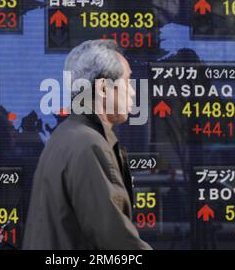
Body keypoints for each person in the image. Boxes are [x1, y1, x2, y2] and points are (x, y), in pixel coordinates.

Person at [23, 40, 152, 250]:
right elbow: (116, 241)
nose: (132, 92)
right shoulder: (89, 145)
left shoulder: (65, 136)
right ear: (102, 88)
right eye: (127, 81)